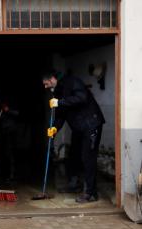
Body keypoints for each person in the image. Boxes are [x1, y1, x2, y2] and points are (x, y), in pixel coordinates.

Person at [42, 71, 105, 203]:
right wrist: (54, 128)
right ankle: (74, 185)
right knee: (73, 155)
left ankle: (91, 193)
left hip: (91, 124)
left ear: (52, 78)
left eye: (46, 83)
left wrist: (60, 102)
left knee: (88, 158)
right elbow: (61, 114)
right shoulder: (58, 91)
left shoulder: (72, 81)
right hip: (79, 127)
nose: (45, 87)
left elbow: (81, 98)